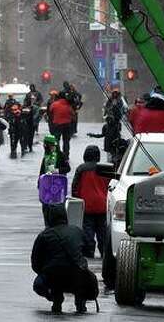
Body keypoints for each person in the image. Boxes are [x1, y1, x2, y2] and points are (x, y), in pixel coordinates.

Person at [31, 204, 94, 314]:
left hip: (54, 277)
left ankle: (56, 299)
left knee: (40, 283)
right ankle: (80, 301)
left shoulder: (44, 236)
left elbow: (35, 262)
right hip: (77, 276)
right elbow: (89, 250)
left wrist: (44, 271)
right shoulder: (77, 231)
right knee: (80, 276)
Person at [71, 145, 114, 288]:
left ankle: (89, 251)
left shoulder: (81, 169)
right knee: (102, 231)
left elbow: (75, 187)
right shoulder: (106, 168)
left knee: (87, 230)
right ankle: (103, 252)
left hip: (87, 204)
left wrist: (76, 198)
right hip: (102, 205)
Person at [47, 91, 75, 157]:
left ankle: (58, 153)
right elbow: (73, 115)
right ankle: (66, 155)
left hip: (57, 125)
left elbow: (50, 113)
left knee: (56, 140)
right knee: (66, 141)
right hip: (67, 125)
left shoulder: (54, 104)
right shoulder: (68, 105)